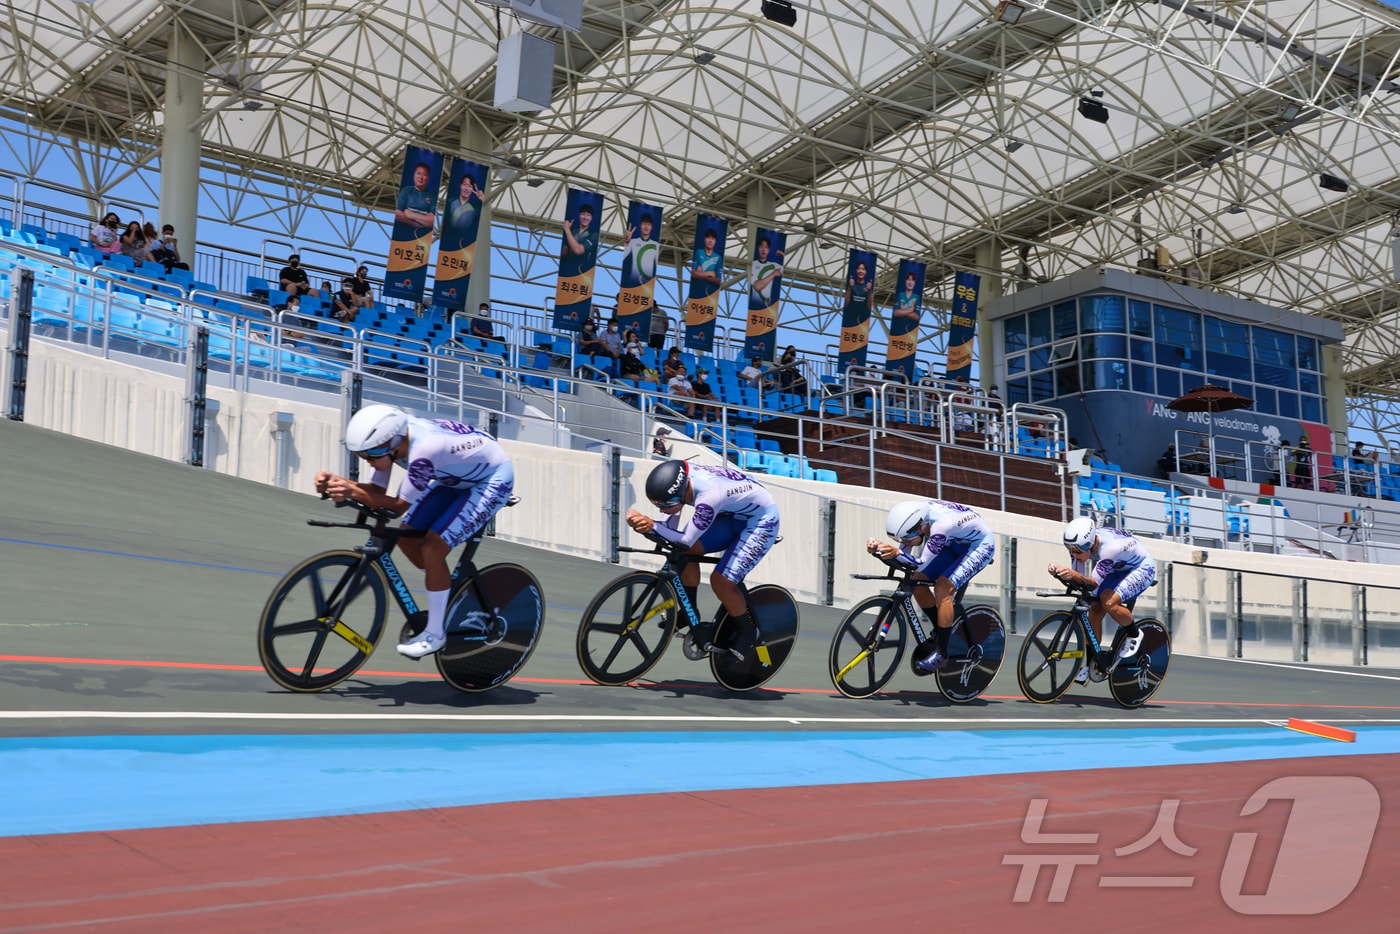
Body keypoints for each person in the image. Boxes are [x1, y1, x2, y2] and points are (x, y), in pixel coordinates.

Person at [315, 404, 514, 659]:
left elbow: (397, 506)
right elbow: (376, 492)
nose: (369, 461)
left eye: (373, 454)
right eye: (363, 456)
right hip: (455, 477)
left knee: (433, 548)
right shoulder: (391, 439)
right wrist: (339, 482)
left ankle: (435, 634)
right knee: (407, 539)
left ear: (395, 443)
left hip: (492, 479)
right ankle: (447, 591)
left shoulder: (424, 451)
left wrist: (352, 490)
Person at [625, 459, 780, 659]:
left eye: (666, 504)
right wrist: (650, 524)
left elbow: (686, 540)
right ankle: (690, 611)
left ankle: (749, 632)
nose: (661, 510)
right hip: (731, 514)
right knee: (685, 554)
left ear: (681, 493)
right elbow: (673, 526)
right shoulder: (681, 483)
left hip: (761, 521)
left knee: (721, 581)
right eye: (657, 505)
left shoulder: (710, 496)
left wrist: (652, 525)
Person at [866, 500, 996, 674]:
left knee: (943, 589)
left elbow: (918, 563)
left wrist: (897, 553)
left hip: (979, 546)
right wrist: (880, 548)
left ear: (921, 528)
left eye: (905, 537)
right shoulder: (918, 517)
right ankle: (941, 629)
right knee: (917, 582)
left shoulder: (941, 527)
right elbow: (908, 555)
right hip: (954, 541)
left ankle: (942, 654)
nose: (903, 541)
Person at [1047, 517, 1155, 685]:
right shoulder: (1081, 546)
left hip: (1141, 568)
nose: (1074, 553)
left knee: (1108, 601)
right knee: (1094, 610)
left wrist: (1073, 574)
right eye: (1069, 549)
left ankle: (1134, 634)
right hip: (1118, 567)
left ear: (1090, 543)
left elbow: (1091, 583)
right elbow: (1080, 582)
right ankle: (1093, 664)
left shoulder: (1108, 549)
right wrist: (1060, 573)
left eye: (1077, 549)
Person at [395, 161, 437, 231]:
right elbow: (398, 214)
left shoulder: (432, 196)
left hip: (423, 236)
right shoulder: (406, 191)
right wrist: (415, 224)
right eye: (418, 173)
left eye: (424, 175)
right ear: (414, 175)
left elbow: (432, 221)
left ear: (428, 178)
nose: (421, 177)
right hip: (402, 232)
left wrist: (411, 215)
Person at [748, 235, 784, 308]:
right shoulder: (753, 264)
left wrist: (783, 254)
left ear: (769, 250)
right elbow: (757, 286)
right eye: (761, 246)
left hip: (768, 306)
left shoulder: (774, 265)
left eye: (766, 247)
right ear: (758, 248)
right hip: (755, 304)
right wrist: (774, 273)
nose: (763, 249)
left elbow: (790, 271)